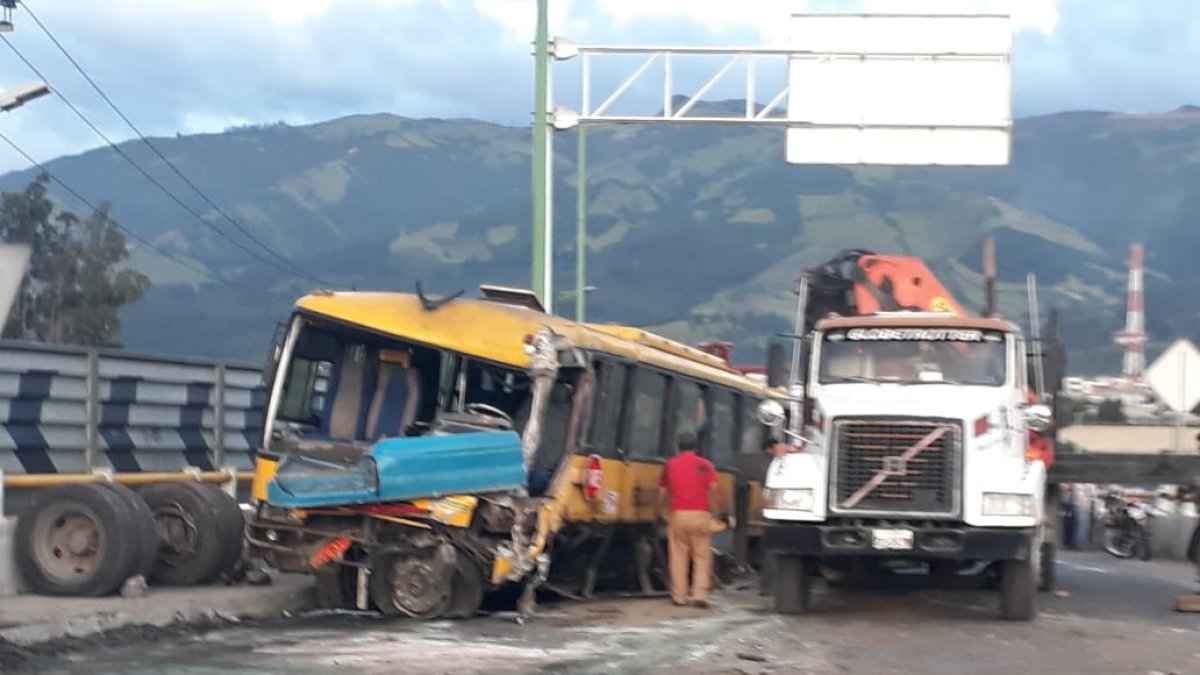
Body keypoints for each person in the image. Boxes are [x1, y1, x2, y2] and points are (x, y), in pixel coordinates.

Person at [658, 430, 725, 608]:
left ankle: (679, 597)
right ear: (696, 447)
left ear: (678, 446)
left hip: (678, 515)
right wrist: (723, 512)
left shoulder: (670, 465)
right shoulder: (705, 465)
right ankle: (699, 595)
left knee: (678, 557)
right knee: (702, 557)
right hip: (701, 515)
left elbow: (662, 492)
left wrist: (658, 512)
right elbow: (716, 491)